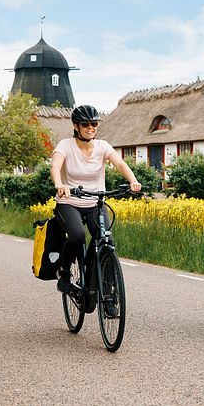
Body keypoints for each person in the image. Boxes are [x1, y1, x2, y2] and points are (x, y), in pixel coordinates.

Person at [50, 104, 142, 293]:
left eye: (94, 123)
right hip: (69, 202)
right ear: (76, 126)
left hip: (95, 203)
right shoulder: (65, 145)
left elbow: (120, 163)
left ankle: (108, 291)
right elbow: (55, 166)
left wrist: (133, 181)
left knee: (106, 241)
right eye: (86, 124)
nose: (91, 127)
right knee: (77, 235)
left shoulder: (102, 146)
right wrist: (59, 184)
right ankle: (64, 271)